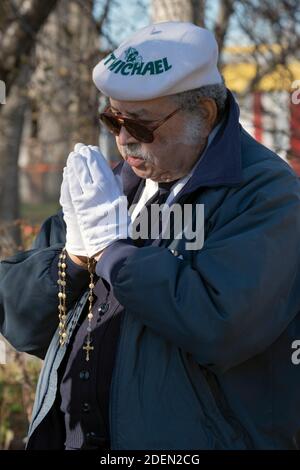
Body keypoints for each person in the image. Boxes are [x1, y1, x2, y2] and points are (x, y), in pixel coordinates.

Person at [1, 21, 300, 451]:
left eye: (140, 126)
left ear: (205, 114)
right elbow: (21, 321)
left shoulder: (265, 192)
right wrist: (75, 260)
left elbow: (220, 323)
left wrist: (115, 252)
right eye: (112, 119)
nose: (123, 141)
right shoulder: (114, 186)